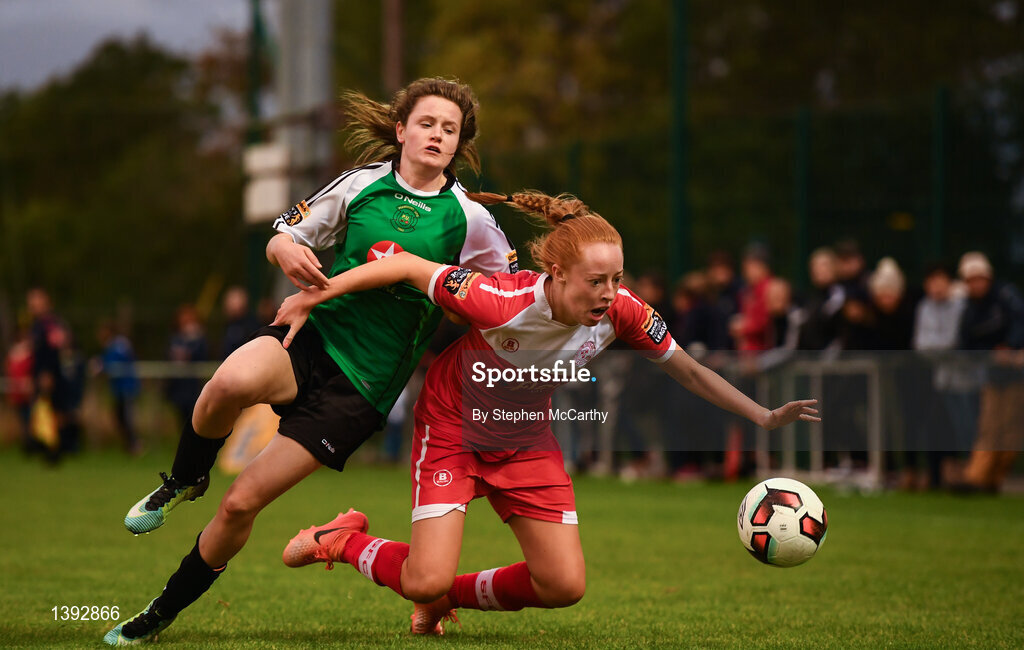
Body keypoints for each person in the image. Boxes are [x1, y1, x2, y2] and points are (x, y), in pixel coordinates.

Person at [272, 190, 819, 636]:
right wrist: (313, 297)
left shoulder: (624, 313)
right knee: (421, 578)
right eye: (595, 281)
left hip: (527, 440)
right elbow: (406, 264)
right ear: (556, 273)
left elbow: (690, 369)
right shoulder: (496, 299)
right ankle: (343, 540)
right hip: (453, 429)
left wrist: (764, 415)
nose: (609, 294)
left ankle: (446, 599)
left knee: (563, 586)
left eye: (617, 280)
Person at [104, 77, 517, 645]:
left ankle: (160, 612)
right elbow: (284, 235)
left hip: (361, 389)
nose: (437, 135)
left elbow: (505, 298)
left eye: (450, 130)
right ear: (400, 130)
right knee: (228, 381)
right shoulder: (361, 185)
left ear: (459, 144)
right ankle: (182, 478)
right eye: (426, 123)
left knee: (241, 503)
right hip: (313, 333)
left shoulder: (468, 221)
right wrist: (286, 250)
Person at [954, 252, 1024, 493]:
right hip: (992, 377)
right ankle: (977, 478)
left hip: (1017, 375)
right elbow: (966, 345)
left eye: (979, 278)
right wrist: (992, 354)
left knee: (1012, 431)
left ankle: (993, 479)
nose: (976, 284)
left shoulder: (1007, 296)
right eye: (970, 279)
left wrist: (1012, 348)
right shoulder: (969, 310)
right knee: (989, 427)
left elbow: (1019, 322)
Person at [94, 320, 142, 455]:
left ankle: (134, 445)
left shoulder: (118, 345)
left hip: (127, 388)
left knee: (126, 417)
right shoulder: (113, 346)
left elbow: (114, 364)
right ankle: (130, 446)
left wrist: (101, 366)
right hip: (119, 389)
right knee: (119, 417)